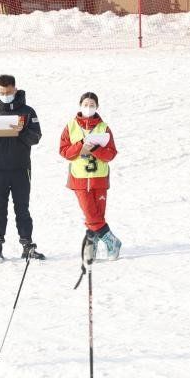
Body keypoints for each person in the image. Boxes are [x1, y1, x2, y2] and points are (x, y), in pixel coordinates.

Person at [0, 74, 45, 263]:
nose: (5, 95)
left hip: (21, 168)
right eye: (1, 92)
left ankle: (27, 245)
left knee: (22, 208)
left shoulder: (28, 112)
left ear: (15, 89)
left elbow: (36, 137)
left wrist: (22, 129)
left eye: (8, 92)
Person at [58, 92, 121, 261]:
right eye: (85, 104)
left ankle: (90, 248)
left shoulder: (104, 128)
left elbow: (110, 154)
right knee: (90, 213)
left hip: (99, 178)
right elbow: (64, 152)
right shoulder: (71, 126)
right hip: (79, 178)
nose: (88, 108)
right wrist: (80, 145)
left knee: (97, 215)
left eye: (92, 105)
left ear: (97, 107)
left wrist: (95, 149)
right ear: (80, 105)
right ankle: (113, 242)